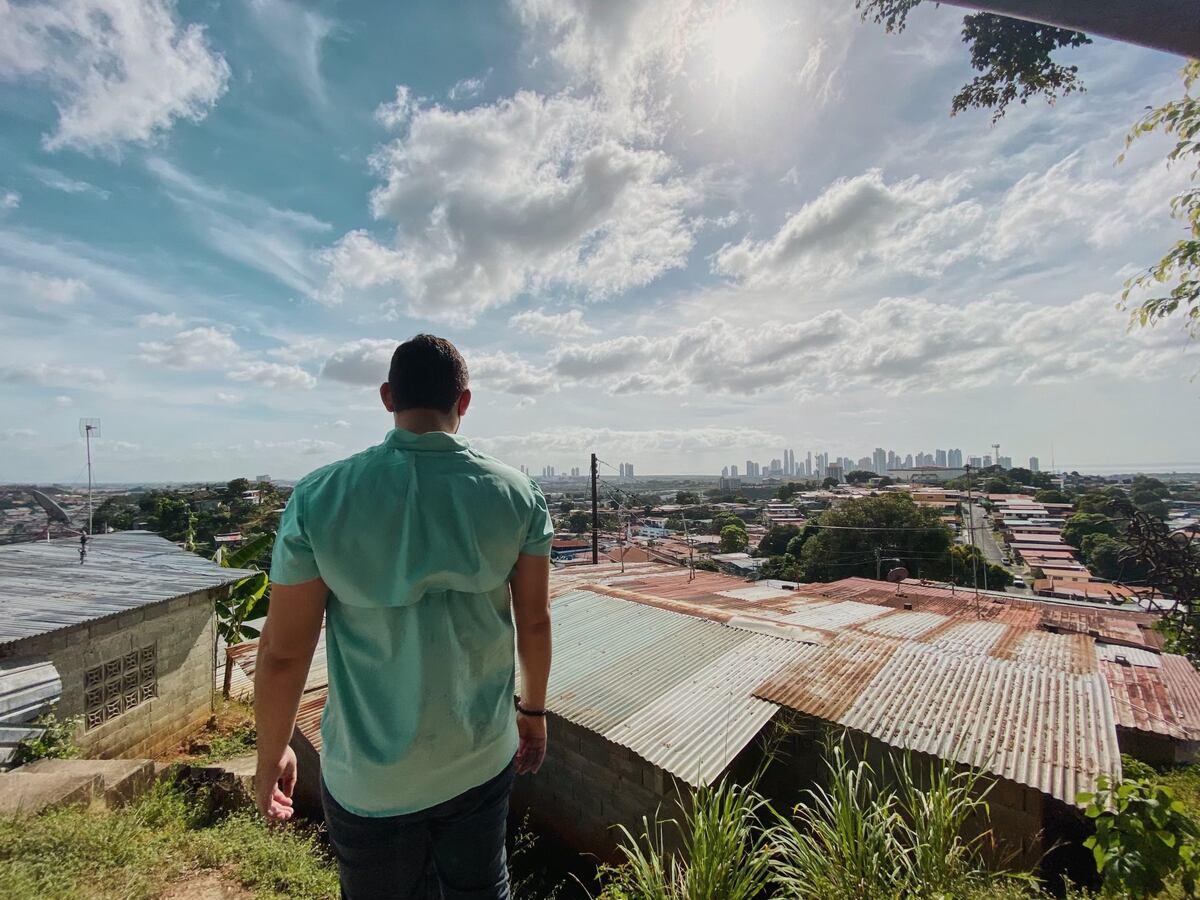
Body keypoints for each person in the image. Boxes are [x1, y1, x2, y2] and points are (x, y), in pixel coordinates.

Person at [253, 334, 554, 900]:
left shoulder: (321, 496)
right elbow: (533, 622)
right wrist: (533, 712)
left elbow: (282, 653)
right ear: (463, 402)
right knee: (481, 887)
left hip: (370, 776)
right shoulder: (518, 494)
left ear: (388, 396)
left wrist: (272, 754)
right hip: (479, 754)